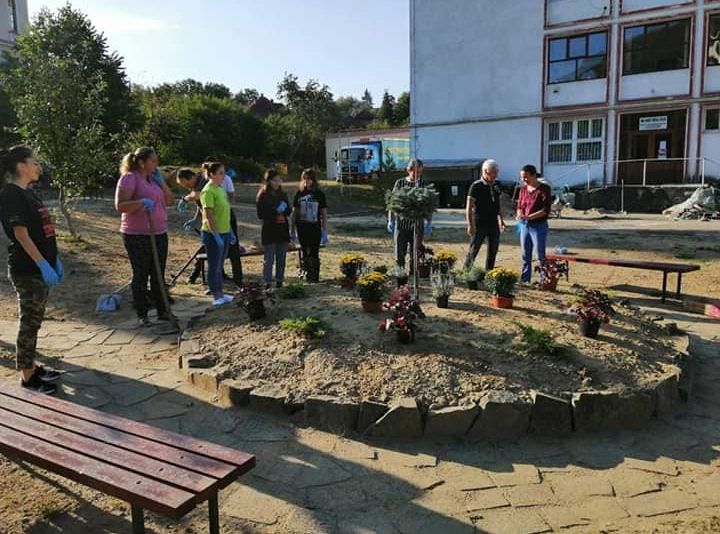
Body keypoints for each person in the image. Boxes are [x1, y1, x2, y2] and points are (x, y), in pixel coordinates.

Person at [0, 145, 62, 394]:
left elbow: (42, 229)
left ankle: (33, 367)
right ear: (21, 166)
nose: (38, 166)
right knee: (29, 323)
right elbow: (21, 234)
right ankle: (27, 377)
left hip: (40, 267)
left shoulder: (29, 192)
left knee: (34, 322)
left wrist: (55, 259)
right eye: (34, 162)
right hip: (28, 270)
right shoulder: (11, 194)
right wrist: (42, 264)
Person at [114, 147, 175, 326]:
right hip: (137, 234)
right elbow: (120, 205)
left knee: (158, 273)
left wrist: (162, 184)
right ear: (142, 162)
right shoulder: (129, 178)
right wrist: (140, 202)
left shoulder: (153, 180)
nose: (156, 164)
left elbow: (170, 201)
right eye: (153, 161)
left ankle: (163, 312)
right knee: (141, 274)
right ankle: (142, 313)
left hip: (159, 232)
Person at [200, 162, 234, 306]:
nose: (223, 176)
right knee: (214, 265)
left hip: (224, 231)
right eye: (220, 173)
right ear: (211, 174)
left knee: (220, 265)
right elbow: (209, 216)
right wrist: (215, 235)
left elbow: (225, 212)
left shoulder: (220, 189)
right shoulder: (208, 191)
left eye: (223, 173)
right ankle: (216, 295)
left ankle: (221, 292)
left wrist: (230, 231)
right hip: (213, 233)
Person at [387, 159, 431, 269]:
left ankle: (413, 273)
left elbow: (428, 205)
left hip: (417, 225)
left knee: (415, 253)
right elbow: (392, 202)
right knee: (399, 252)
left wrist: (429, 222)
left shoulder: (423, 184)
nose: (417, 175)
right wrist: (390, 220)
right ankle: (400, 273)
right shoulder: (400, 183)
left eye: (420, 172)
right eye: (415, 172)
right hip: (401, 224)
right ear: (409, 170)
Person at [463, 159, 506, 271]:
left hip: (493, 224)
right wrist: (470, 225)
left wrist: (501, 220)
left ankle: (489, 274)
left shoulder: (496, 185)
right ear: (486, 171)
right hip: (479, 224)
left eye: (497, 172)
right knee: (473, 250)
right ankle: (465, 273)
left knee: (493, 251)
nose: (496, 175)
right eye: (494, 172)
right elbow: (469, 207)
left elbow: (498, 204)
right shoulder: (476, 186)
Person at [516, 164, 552, 283]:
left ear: (534, 175)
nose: (524, 179)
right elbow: (519, 206)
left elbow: (545, 210)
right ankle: (525, 279)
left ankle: (544, 280)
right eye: (522, 177)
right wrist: (520, 214)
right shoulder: (523, 189)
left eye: (526, 177)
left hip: (538, 226)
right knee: (525, 254)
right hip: (525, 225)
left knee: (539, 254)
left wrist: (530, 217)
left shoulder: (544, 189)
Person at [290, 169, 328, 283]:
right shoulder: (299, 193)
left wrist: (324, 230)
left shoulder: (319, 194)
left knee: (314, 251)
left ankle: (314, 276)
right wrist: (292, 229)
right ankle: (305, 273)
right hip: (302, 227)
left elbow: (324, 213)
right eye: (304, 178)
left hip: (315, 227)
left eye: (309, 179)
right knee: (304, 251)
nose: (306, 181)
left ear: (313, 180)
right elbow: (294, 213)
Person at [256, 169, 292, 288]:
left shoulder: (283, 194)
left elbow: (288, 211)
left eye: (279, 180)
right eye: (274, 180)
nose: (277, 183)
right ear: (268, 181)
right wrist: (275, 210)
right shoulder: (263, 195)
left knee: (281, 258)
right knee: (269, 259)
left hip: (282, 229)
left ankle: (279, 280)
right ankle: (267, 281)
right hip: (269, 230)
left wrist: (284, 209)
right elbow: (261, 214)